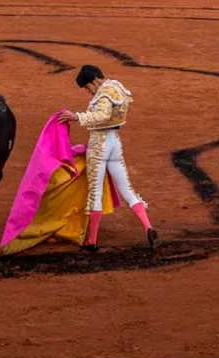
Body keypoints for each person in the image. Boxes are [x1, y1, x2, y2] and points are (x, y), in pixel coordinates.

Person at [58, 65, 161, 252]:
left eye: (87, 87)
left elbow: (103, 115)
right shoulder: (117, 86)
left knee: (95, 193)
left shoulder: (104, 93)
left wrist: (77, 117)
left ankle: (92, 241)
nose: (88, 91)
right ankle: (148, 227)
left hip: (99, 144)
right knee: (127, 189)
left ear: (93, 81)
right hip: (115, 143)